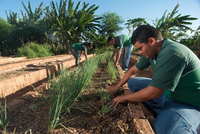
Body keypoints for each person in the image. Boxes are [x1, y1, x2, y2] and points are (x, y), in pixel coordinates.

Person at [108, 25, 200, 133]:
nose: (140, 52)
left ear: (151, 41)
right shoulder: (152, 52)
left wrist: (124, 98)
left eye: (140, 48)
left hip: (188, 103)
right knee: (133, 82)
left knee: (165, 130)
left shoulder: (172, 52)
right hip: (167, 93)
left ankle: (179, 118)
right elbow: (132, 70)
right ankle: (163, 113)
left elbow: (153, 93)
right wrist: (116, 87)